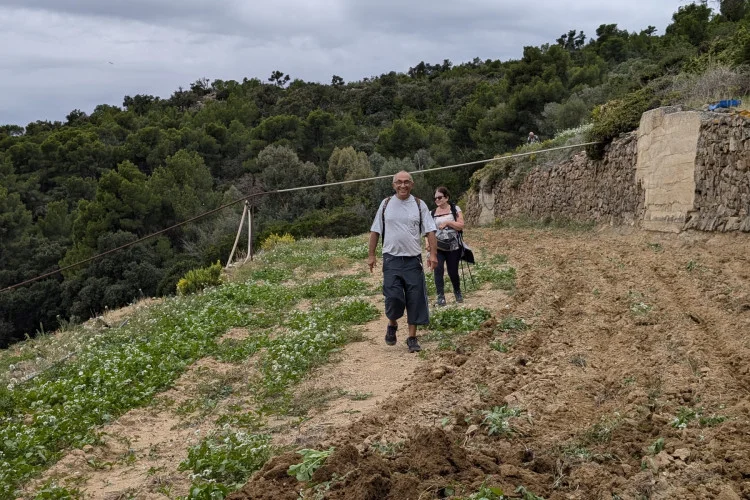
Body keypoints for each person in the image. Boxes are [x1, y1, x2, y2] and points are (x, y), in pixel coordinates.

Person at [368, 171, 438, 353]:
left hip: (413, 260)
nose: (403, 185)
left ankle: (412, 338)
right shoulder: (386, 204)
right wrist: (371, 255)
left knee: (415, 298)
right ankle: (392, 323)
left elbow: (430, 231)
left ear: (412, 184)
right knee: (393, 296)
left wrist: (433, 255)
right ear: (393, 185)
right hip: (391, 259)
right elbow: (375, 231)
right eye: (399, 182)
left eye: (407, 182)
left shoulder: (419, 205)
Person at [426, 186, 465, 306]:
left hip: (453, 246)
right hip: (437, 246)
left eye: (440, 197)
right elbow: (428, 231)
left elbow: (461, 225)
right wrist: (427, 244)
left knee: (453, 271)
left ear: (446, 197)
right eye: (435, 198)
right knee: (438, 270)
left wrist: (448, 222)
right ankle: (440, 296)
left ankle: (457, 292)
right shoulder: (432, 213)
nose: (437, 200)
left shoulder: (455, 209)